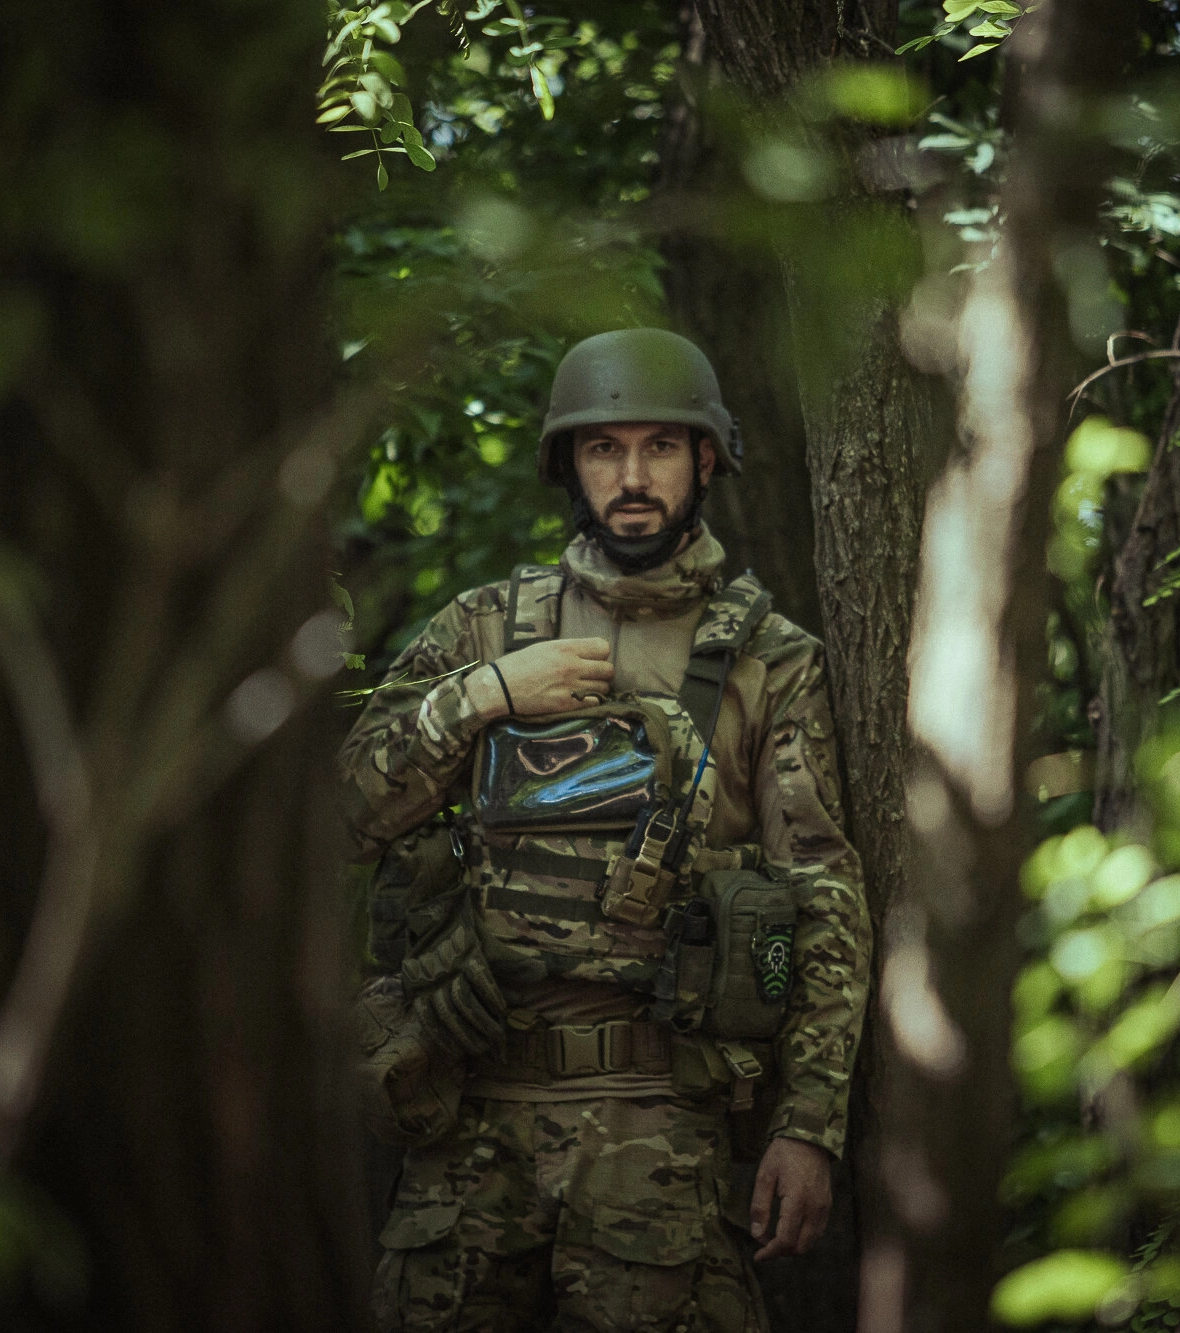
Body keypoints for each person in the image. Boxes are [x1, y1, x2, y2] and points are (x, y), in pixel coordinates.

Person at [341, 327, 871, 1332]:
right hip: (465, 1114)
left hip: (661, 1131)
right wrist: (485, 694)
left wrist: (808, 1126)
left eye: (658, 448)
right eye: (602, 449)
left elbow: (822, 895)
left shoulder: (767, 658)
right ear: (568, 466)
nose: (630, 476)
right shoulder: (483, 629)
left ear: (704, 459)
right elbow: (346, 813)